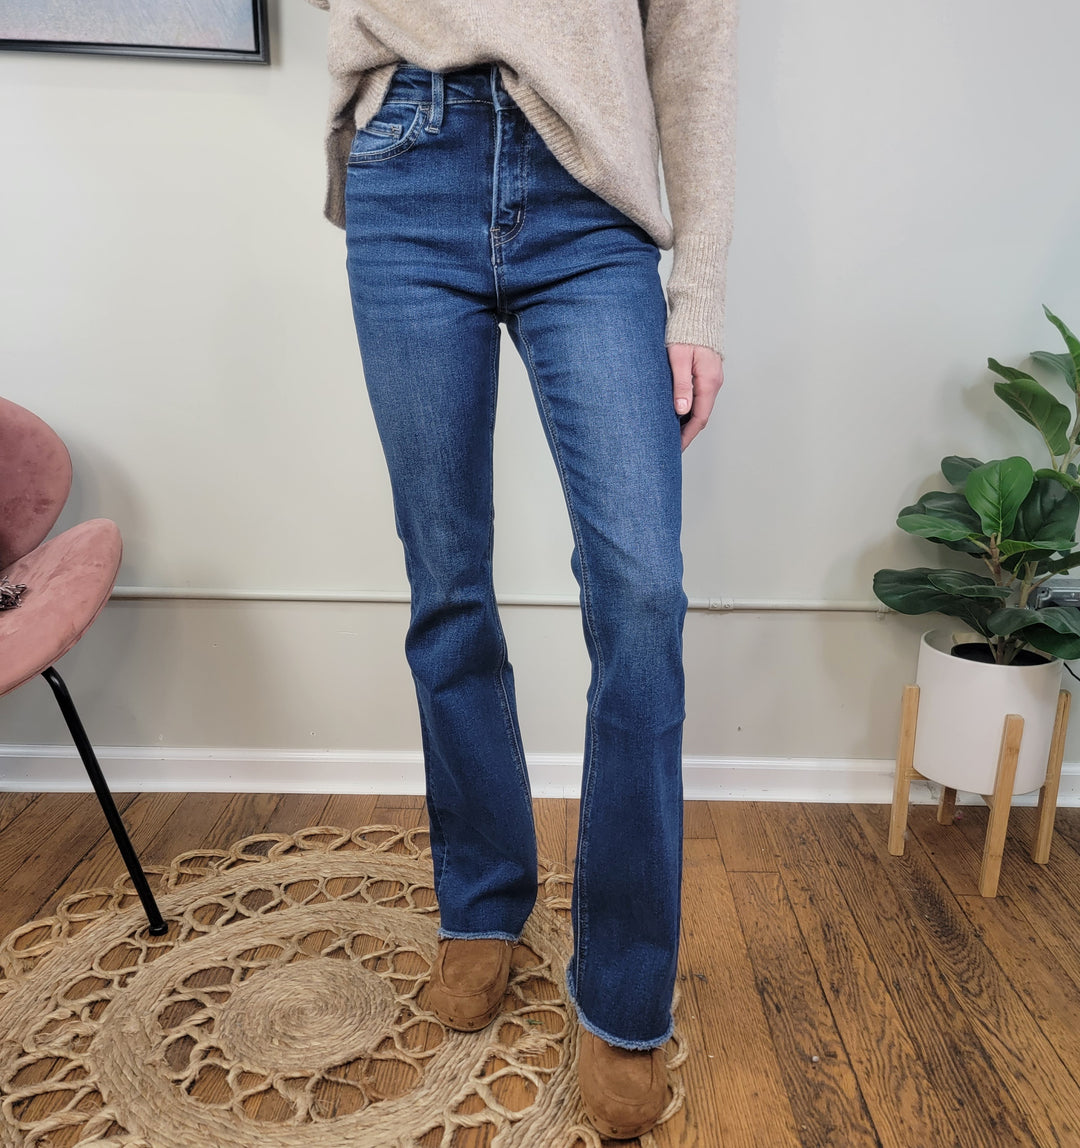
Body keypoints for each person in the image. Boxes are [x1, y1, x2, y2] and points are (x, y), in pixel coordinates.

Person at [303, 0, 738, 1138]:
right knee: (446, 580)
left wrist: (698, 296)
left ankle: (625, 992)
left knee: (642, 595)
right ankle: (484, 903)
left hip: (591, 194)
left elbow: (695, 42)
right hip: (409, 162)